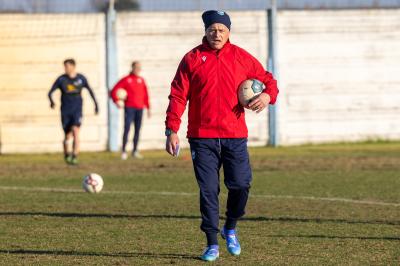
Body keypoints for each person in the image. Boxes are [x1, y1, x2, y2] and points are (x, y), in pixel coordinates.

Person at [165, 10, 279, 261]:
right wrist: (172, 130)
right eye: (212, 29)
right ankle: (211, 243)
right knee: (208, 190)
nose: (217, 34)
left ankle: (231, 227)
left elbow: (269, 81)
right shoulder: (192, 58)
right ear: (205, 31)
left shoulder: (241, 57)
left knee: (241, 185)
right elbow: (177, 95)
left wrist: (267, 96)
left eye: (222, 30)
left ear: (229, 32)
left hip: (234, 136)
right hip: (201, 137)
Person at [48, 59, 99, 165]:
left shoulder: (81, 78)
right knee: (67, 136)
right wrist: (52, 102)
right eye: (64, 66)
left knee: (76, 131)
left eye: (67, 66)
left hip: (77, 110)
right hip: (65, 111)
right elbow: (50, 92)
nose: (65, 68)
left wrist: (96, 105)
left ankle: (75, 156)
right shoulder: (61, 79)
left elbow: (90, 91)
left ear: (73, 66)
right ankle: (67, 154)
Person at [110, 61, 150, 160]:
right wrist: (117, 101)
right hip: (129, 108)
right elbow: (113, 91)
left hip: (140, 108)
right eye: (136, 67)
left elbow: (145, 94)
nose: (138, 69)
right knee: (127, 129)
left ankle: (135, 151)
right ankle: (123, 151)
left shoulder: (141, 80)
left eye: (139, 68)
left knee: (137, 130)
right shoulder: (126, 79)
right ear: (132, 68)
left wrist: (148, 107)